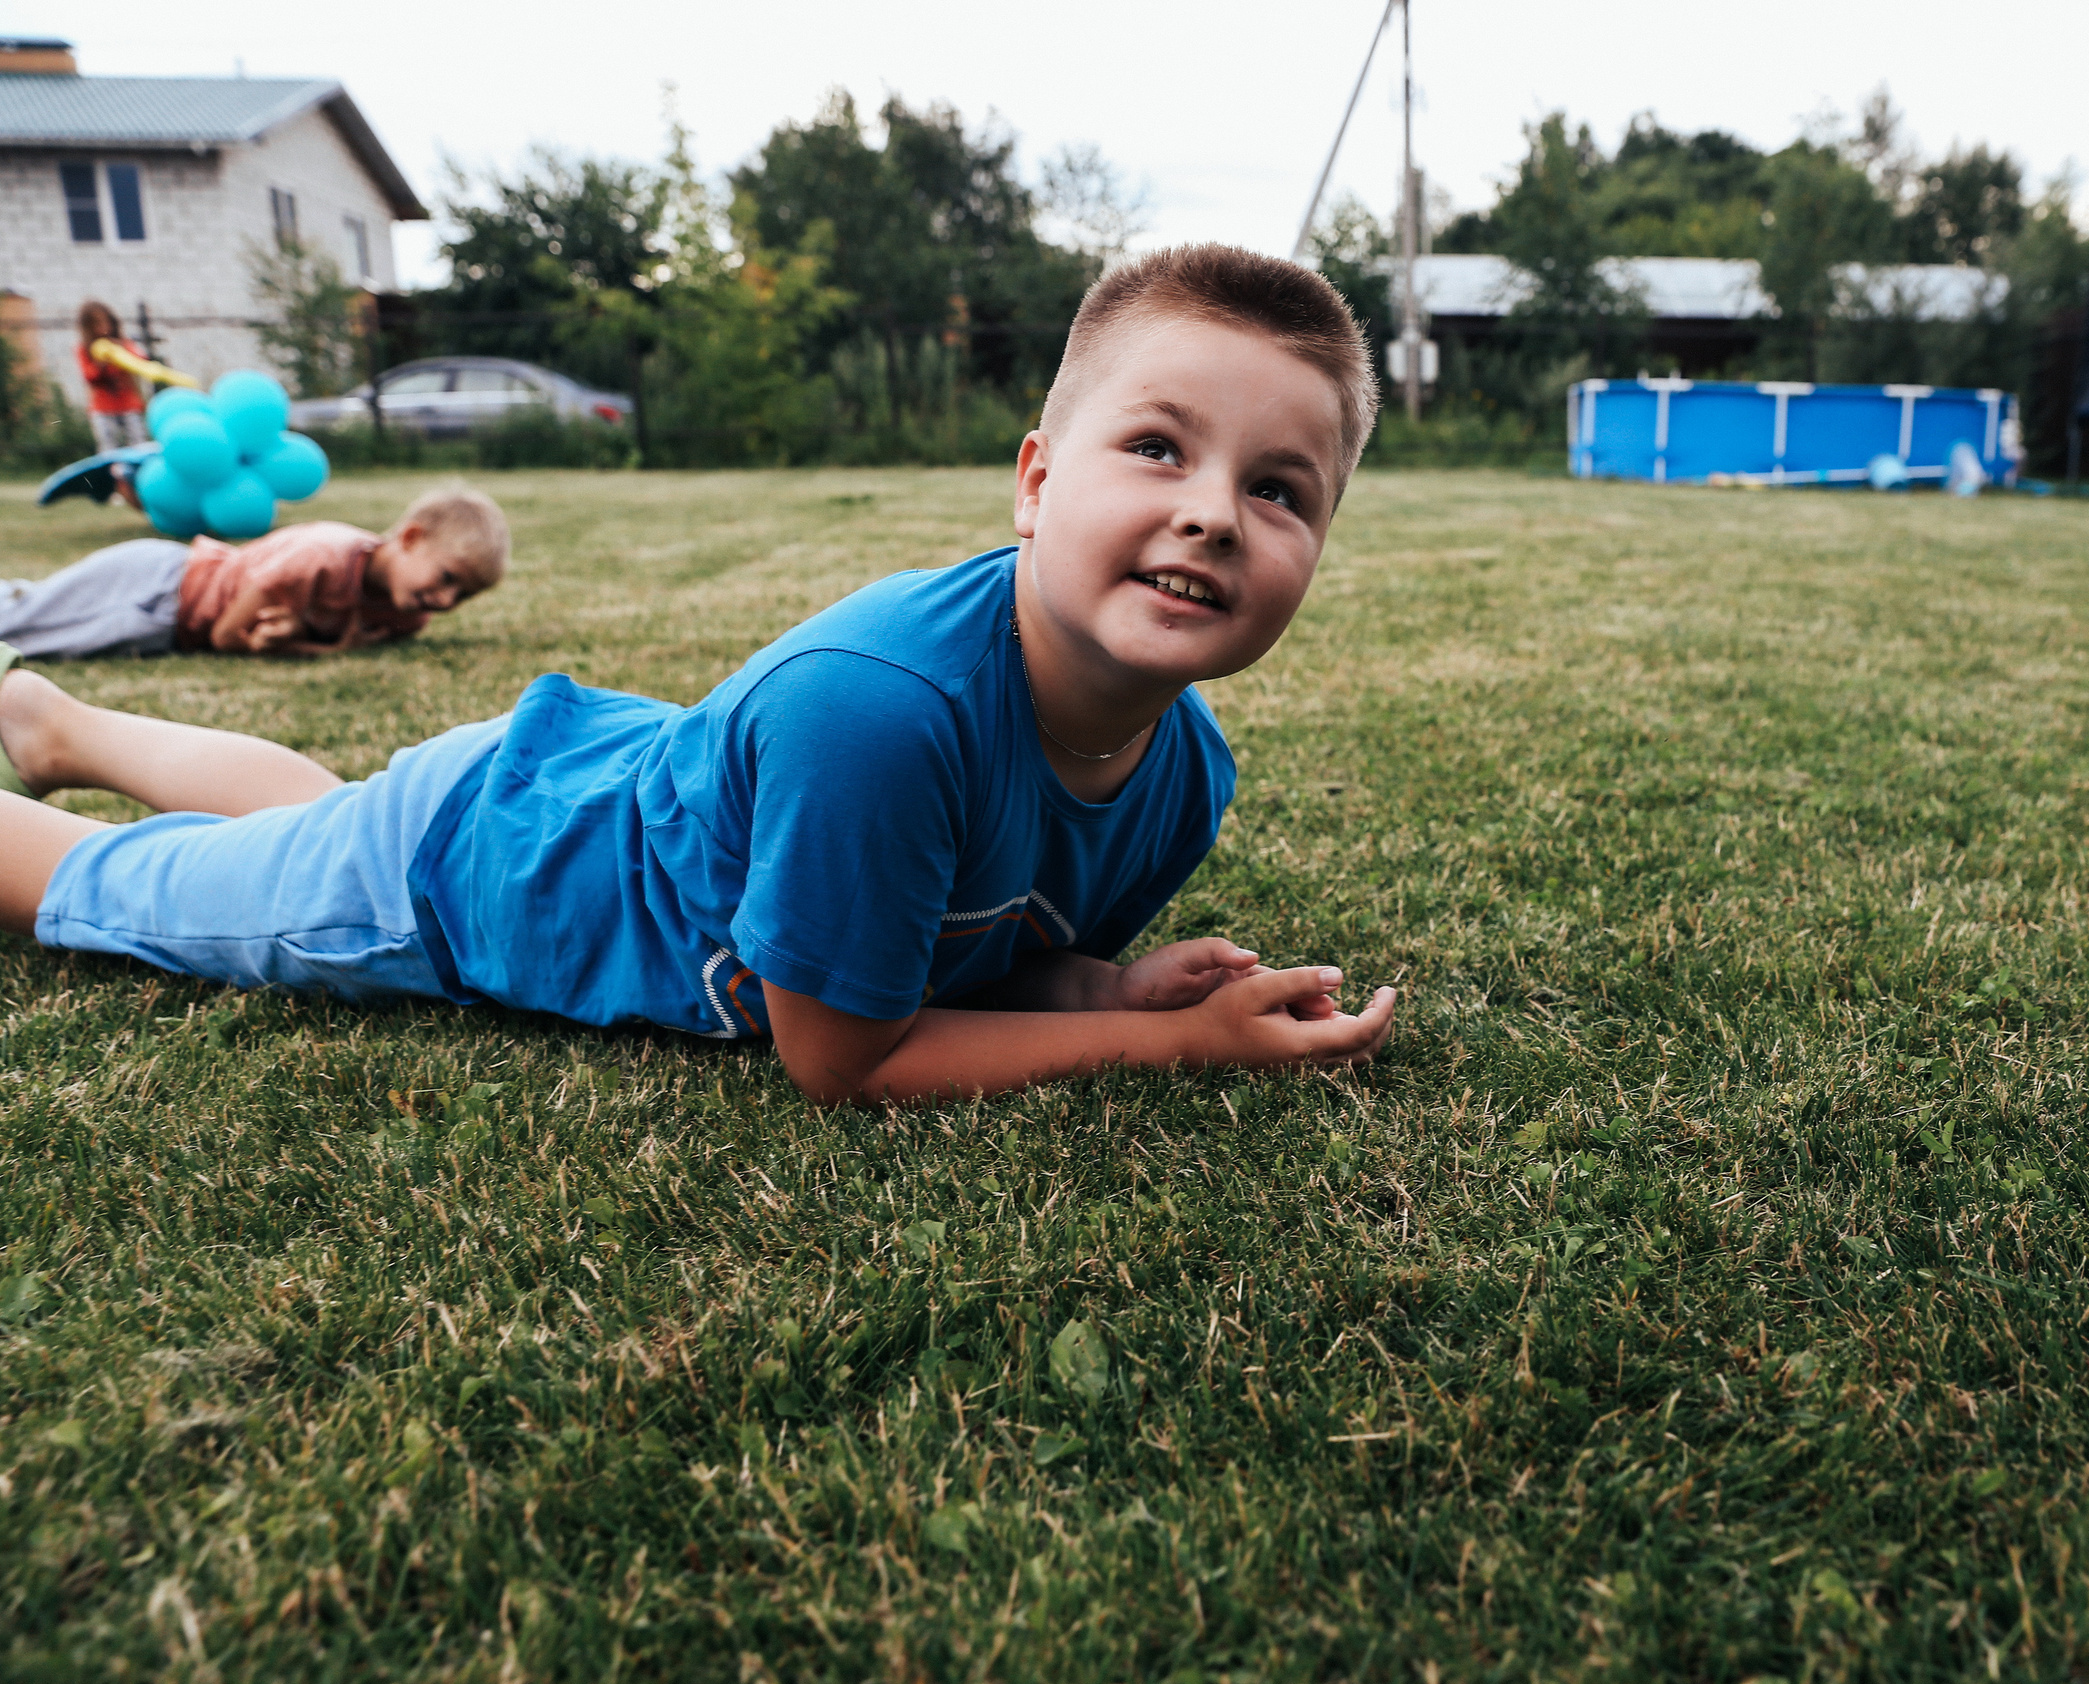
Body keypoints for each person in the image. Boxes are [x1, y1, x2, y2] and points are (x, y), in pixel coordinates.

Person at [0, 245, 1396, 1107]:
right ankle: (46, 786)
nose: (1213, 509)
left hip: (543, 775)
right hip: (457, 876)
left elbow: (969, 944)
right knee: (116, 891)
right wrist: (1167, 1046)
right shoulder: (880, 715)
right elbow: (846, 1058)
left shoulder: (1188, 772)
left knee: (321, 811)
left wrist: (1103, 983)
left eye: (1280, 488)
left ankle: (56, 718)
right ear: (1034, 482)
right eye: (1157, 446)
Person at [0, 484, 508, 662]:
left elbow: (280, 632)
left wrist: (289, 635)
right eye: (446, 578)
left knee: (34, 647)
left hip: (167, 633)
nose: (444, 602)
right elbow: (226, 638)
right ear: (412, 538)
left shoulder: (406, 618)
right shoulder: (324, 555)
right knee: (24, 616)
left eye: (462, 597)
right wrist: (323, 650)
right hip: (162, 585)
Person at [74, 301, 147, 457]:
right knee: (108, 447)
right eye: (96, 324)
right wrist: (100, 364)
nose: (103, 328)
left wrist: (121, 351)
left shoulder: (123, 344)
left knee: (139, 443)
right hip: (103, 408)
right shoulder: (83, 350)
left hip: (129, 404)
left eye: (106, 322)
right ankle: (110, 478)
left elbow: (141, 359)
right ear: (88, 328)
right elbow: (89, 377)